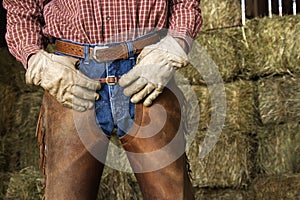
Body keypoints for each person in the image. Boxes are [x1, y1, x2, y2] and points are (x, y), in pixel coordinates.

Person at [3, 0, 202, 199]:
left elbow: (185, 3)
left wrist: (173, 46)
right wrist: (35, 59)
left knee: (173, 195)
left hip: (147, 68)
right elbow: (21, 9)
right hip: (74, 75)